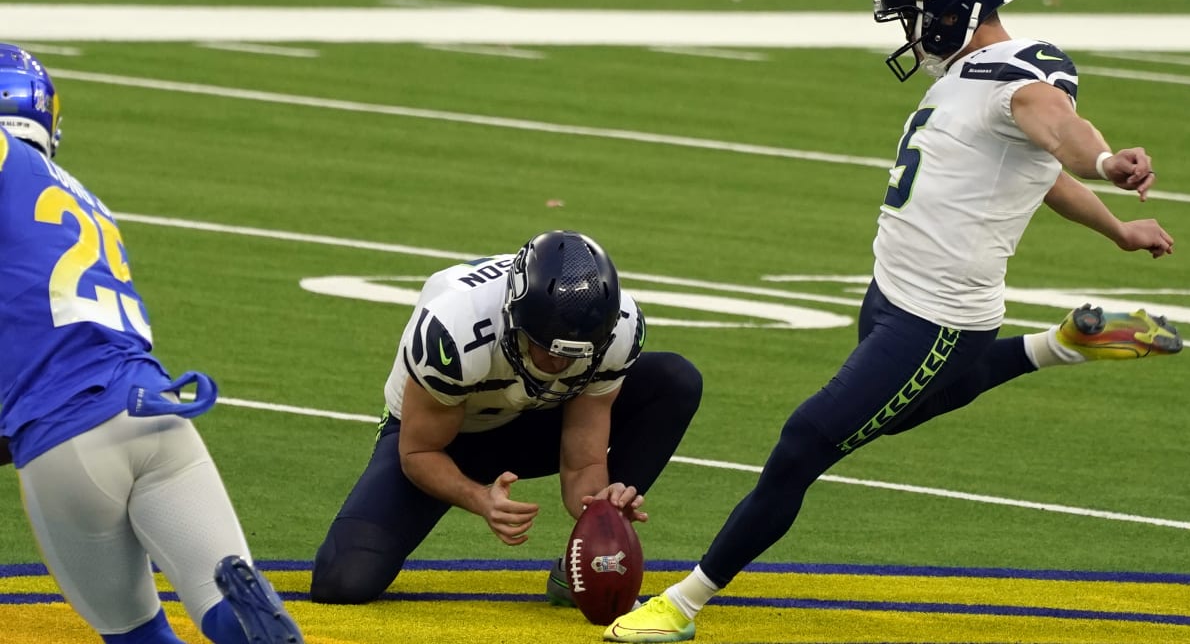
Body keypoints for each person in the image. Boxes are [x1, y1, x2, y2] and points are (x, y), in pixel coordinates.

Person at [605, 0, 1182, 641]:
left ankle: (684, 603)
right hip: (891, 295)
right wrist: (1119, 230)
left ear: (951, 7)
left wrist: (1105, 162)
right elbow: (1043, 175)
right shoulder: (967, 77)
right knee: (899, 412)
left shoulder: (1024, 74)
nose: (910, 29)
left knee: (807, 441)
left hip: (937, 319)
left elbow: (1060, 129)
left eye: (913, 12)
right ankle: (1065, 342)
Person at [0, 44, 304, 644]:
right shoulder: (88, 202)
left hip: (66, 438)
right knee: (223, 601)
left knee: (139, 635)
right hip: (155, 409)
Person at [310, 229, 702, 605]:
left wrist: (600, 514)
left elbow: (583, 458)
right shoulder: (455, 329)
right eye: (544, 347)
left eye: (574, 354)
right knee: (342, 581)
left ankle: (584, 565)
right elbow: (418, 453)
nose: (557, 364)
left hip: (536, 418)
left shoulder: (617, 331)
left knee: (674, 381)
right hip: (447, 439)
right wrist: (481, 500)